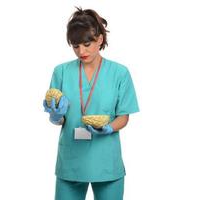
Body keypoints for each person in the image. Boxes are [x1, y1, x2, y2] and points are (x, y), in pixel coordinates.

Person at [43, 7, 139, 200]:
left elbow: (124, 116)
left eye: (87, 44)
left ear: (100, 40)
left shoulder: (119, 73)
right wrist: (55, 116)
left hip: (105, 163)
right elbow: (59, 119)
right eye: (76, 45)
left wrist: (110, 128)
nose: (81, 51)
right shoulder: (61, 72)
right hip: (71, 161)